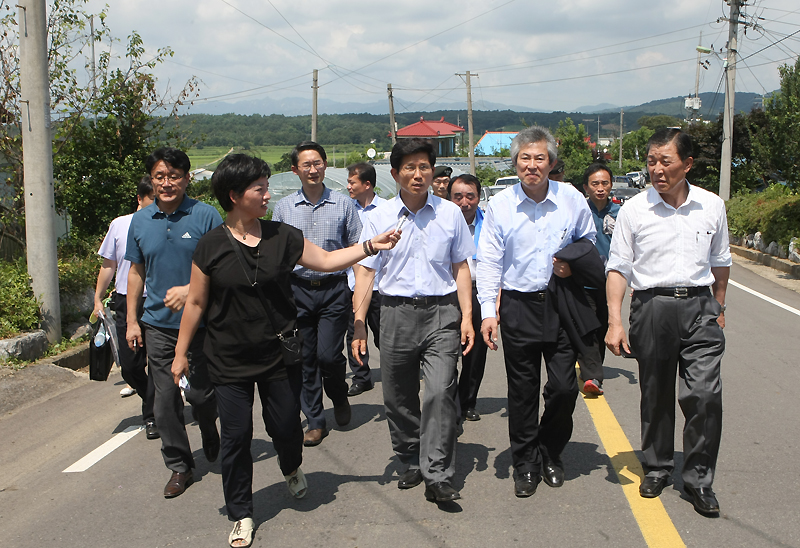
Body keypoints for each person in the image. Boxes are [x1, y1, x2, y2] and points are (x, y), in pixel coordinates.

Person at [172, 154, 399, 548]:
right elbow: (194, 303)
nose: (266, 194)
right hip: (227, 358)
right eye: (259, 188)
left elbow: (327, 261)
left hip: (278, 354)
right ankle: (241, 511)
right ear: (234, 195)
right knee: (237, 437)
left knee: (285, 429)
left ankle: (290, 466)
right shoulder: (210, 246)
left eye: (264, 186)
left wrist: (368, 246)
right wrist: (180, 354)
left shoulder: (283, 235)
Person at [605, 128, 730, 517]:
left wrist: (719, 307)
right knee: (655, 395)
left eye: (666, 161)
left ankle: (698, 481)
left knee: (704, 397)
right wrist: (615, 320)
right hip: (651, 308)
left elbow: (720, 261)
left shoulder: (711, 206)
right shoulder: (634, 210)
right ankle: (657, 467)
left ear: (687, 164)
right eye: (651, 161)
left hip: (700, 308)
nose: (657, 169)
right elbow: (618, 268)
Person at [352, 138, 475, 503]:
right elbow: (364, 272)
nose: (418, 174)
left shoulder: (450, 213)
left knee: (439, 391)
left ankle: (437, 473)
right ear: (395, 174)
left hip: (442, 312)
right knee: (399, 394)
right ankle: (409, 456)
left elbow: (461, 266)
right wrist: (358, 322)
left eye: (424, 167)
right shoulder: (378, 217)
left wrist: (467, 316)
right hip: (394, 313)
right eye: (410, 167)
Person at [477, 126, 596, 498]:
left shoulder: (571, 198)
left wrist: (570, 263)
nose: (532, 165)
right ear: (515, 163)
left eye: (539, 158)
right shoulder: (500, 206)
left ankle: (550, 452)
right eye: (525, 158)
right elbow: (489, 262)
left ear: (552, 162)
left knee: (563, 388)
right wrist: (488, 311)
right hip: (517, 305)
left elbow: (588, 240)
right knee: (522, 392)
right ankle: (525, 463)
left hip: (561, 303)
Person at [125, 147, 223, 498]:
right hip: (159, 324)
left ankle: (209, 425)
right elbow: (136, 272)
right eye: (160, 177)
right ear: (151, 180)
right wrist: (133, 321)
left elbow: (219, 268)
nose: (167, 183)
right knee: (165, 400)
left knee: (200, 393)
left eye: (174, 176)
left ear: (186, 178)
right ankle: (180, 466)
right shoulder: (140, 220)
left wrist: (190, 289)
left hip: (202, 324)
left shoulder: (205, 215)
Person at [272, 141, 362, 447]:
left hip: (334, 289)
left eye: (318, 163)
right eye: (306, 165)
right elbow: (278, 255)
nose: (313, 169)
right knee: (304, 358)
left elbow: (356, 248)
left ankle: (338, 394)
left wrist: (355, 288)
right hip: (297, 291)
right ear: (295, 170)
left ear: (325, 165)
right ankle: (315, 420)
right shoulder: (283, 208)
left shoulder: (343, 204)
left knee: (328, 356)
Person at [94, 176, 158, 439]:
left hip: (156, 301)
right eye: (152, 198)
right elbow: (109, 264)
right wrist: (98, 297)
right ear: (139, 199)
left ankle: (152, 415)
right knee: (130, 366)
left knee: (157, 361)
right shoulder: (120, 225)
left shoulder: (165, 224)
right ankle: (154, 399)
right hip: (125, 301)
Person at [577, 163, 620, 396]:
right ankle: (594, 375)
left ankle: (593, 366)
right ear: (586, 187)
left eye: (605, 183)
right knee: (588, 327)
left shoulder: (619, 214)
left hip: (610, 282)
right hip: (583, 281)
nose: (600, 188)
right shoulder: (580, 212)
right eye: (595, 184)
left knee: (603, 326)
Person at [448, 174, 488, 422]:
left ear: (478, 197)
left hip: (479, 290)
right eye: (458, 196)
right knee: (447, 349)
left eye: (470, 196)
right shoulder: (441, 221)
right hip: (448, 292)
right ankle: (449, 402)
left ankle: (467, 401)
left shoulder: (490, 223)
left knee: (476, 352)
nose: (464, 202)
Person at [345, 163, 386, 397]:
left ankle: (394, 371)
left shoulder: (386, 210)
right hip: (353, 282)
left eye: (353, 182)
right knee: (354, 332)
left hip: (380, 284)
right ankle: (361, 377)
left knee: (384, 333)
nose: (348, 186)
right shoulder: (346, 210)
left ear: (367, 184)